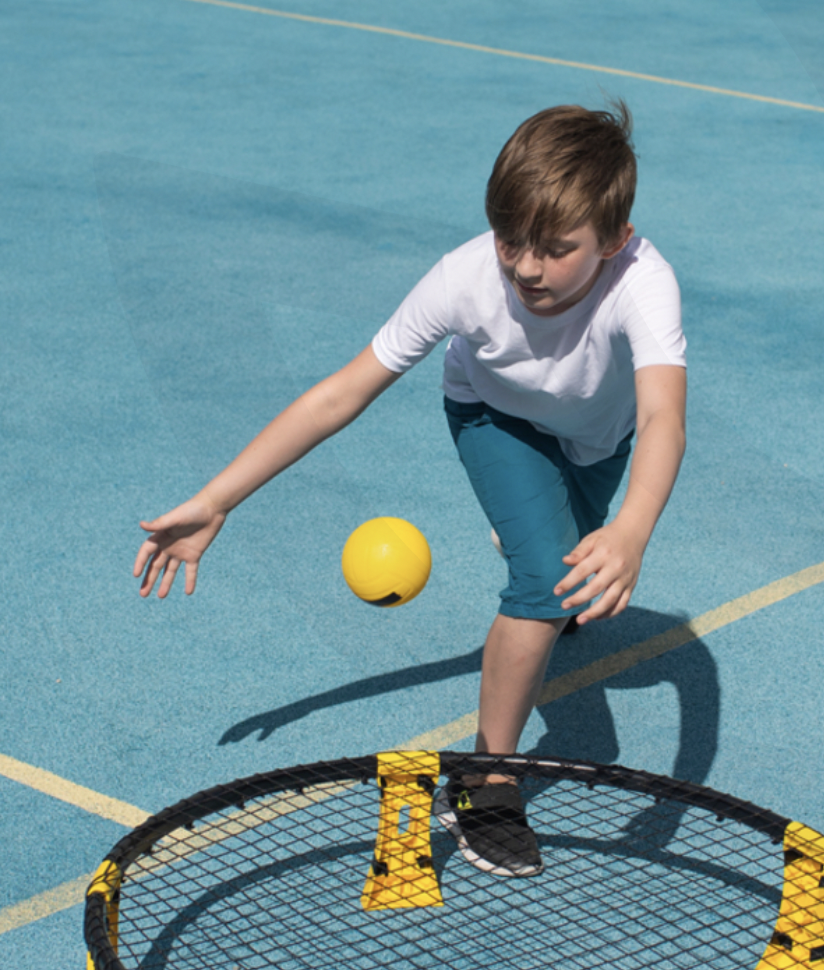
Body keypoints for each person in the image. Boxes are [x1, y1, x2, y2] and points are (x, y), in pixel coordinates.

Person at [132, 102, 686, 878]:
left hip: (599, 438)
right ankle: (489, 780)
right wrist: (219, 498)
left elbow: (664, 418)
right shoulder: (465, 279)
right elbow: (341, 394)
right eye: (510, 240)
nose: (526, 266)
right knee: (546, 581)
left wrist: (629, 530)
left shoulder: (645, 281)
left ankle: (535, 538)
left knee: (570, 558)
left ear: (615, 241)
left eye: (556, 250)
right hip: (495, 418)